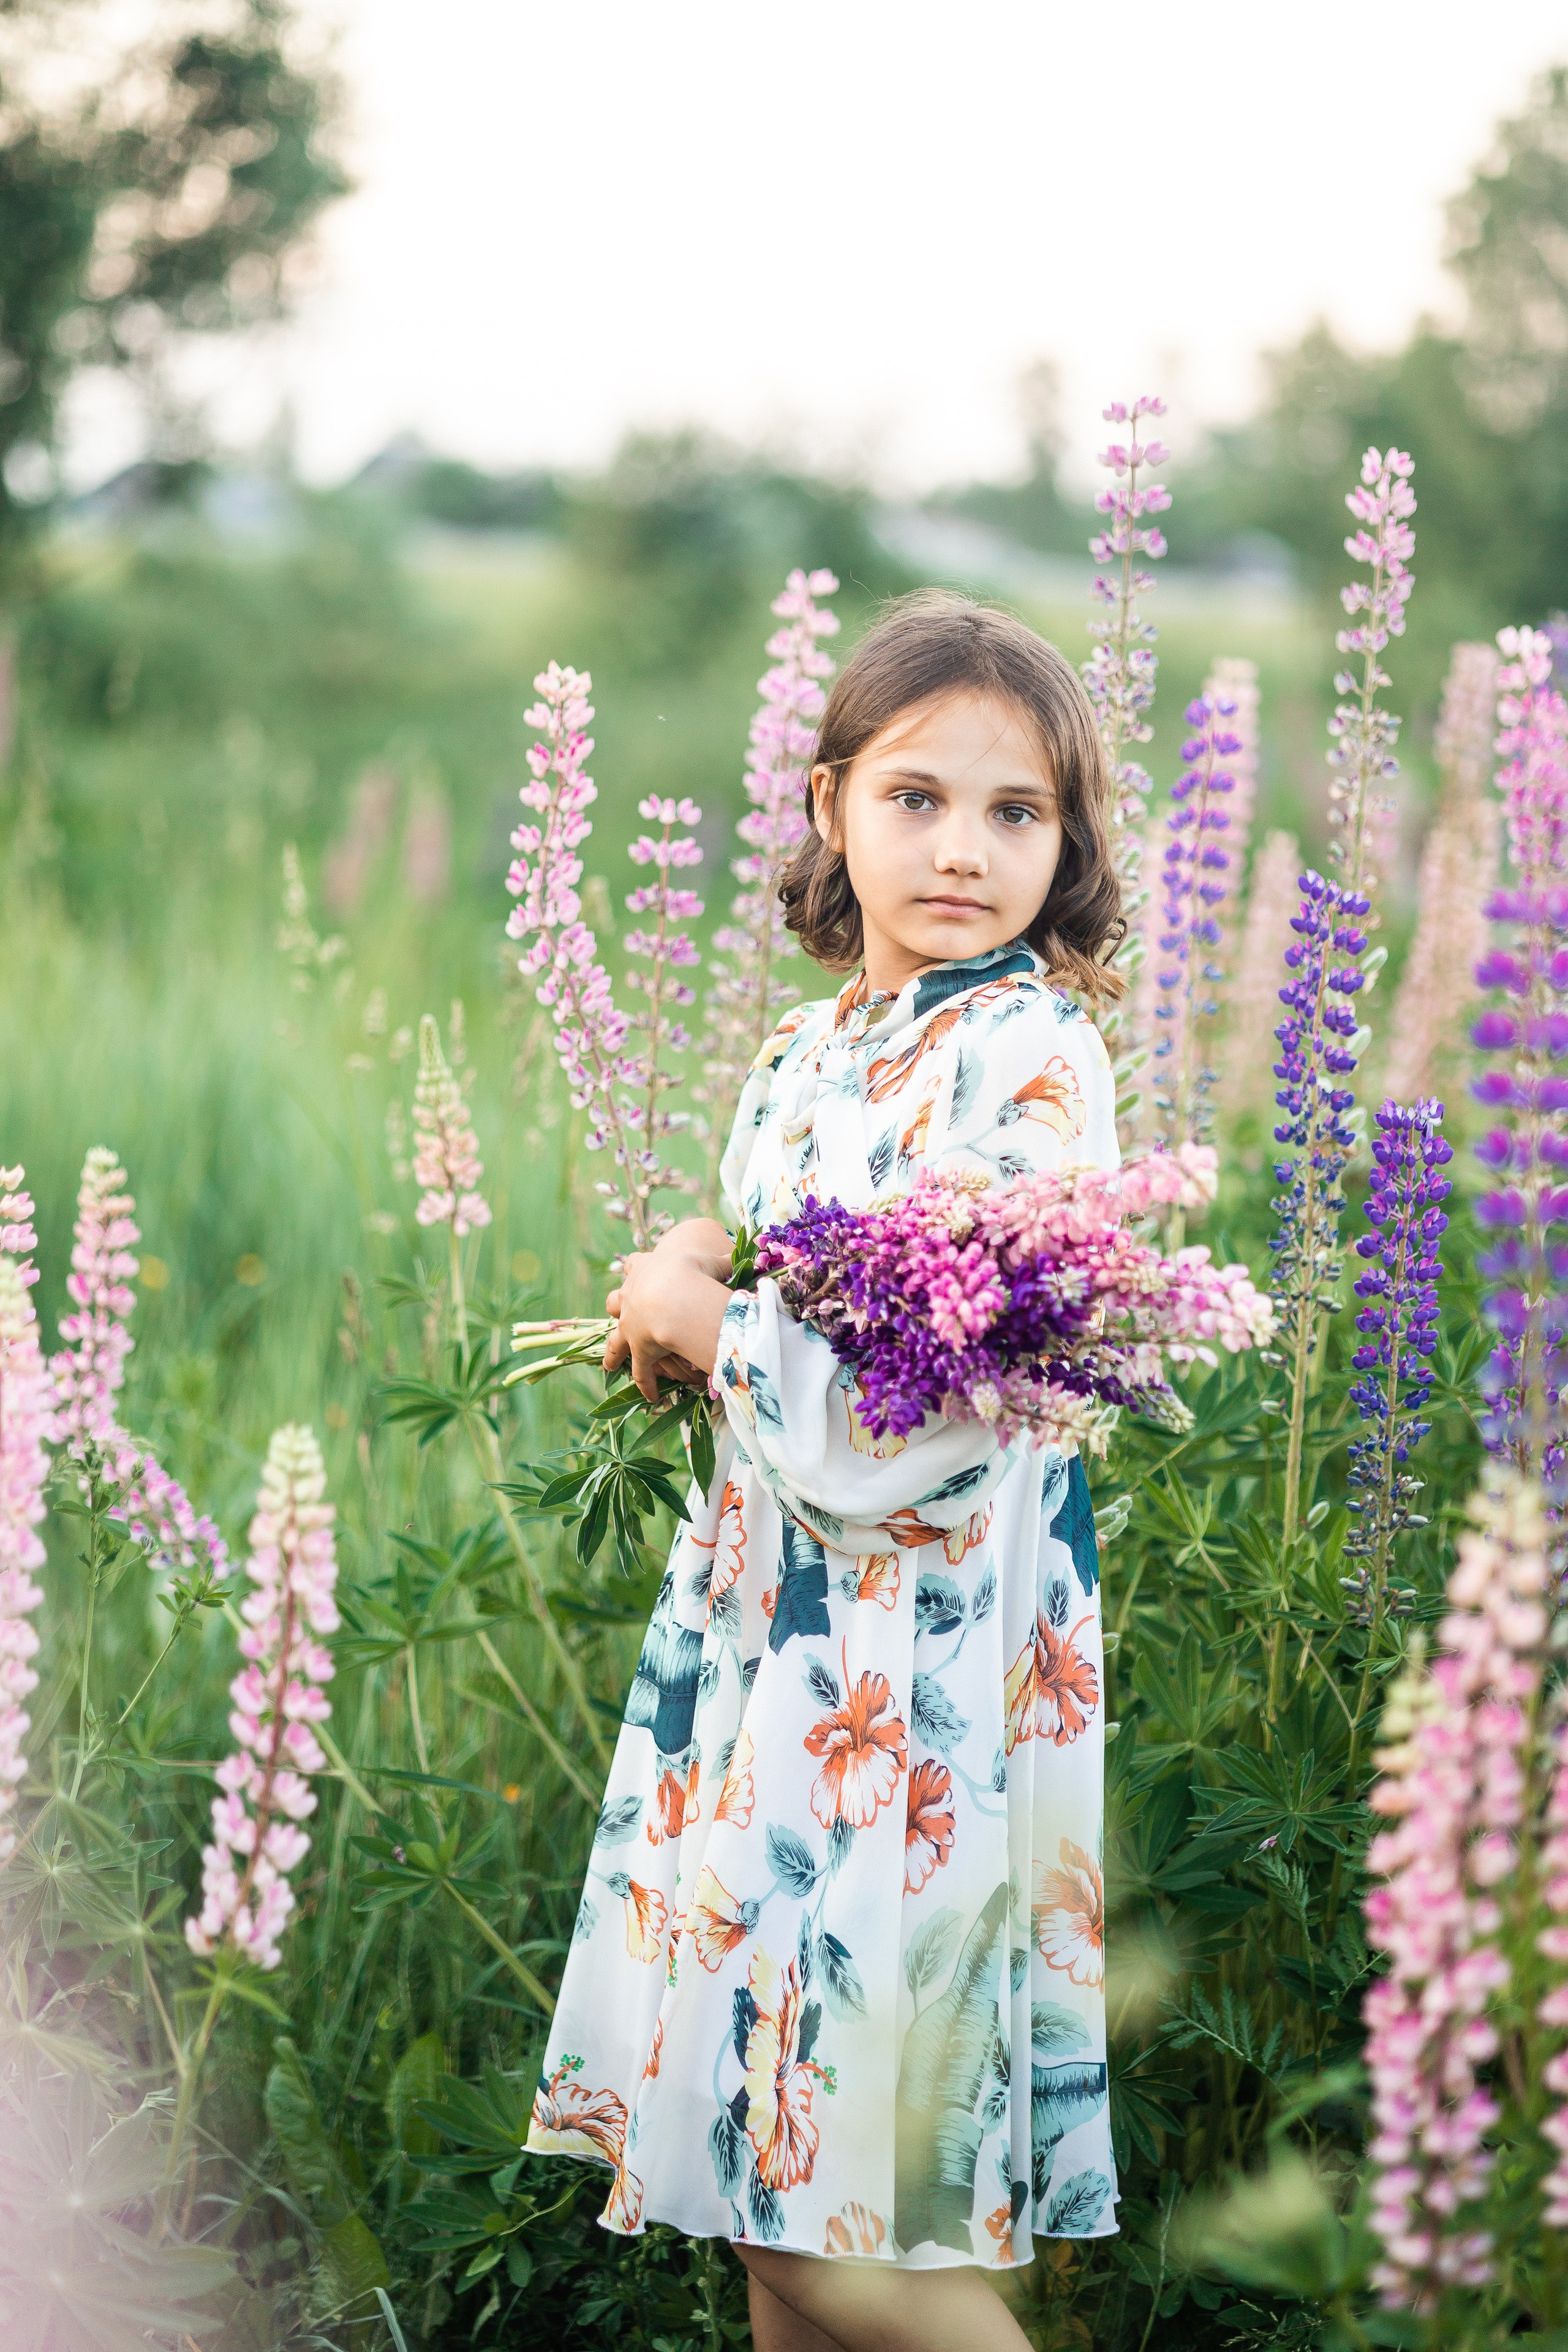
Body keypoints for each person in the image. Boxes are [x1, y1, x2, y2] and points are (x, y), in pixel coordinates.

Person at [525, 590, 1126, 2351]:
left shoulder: (1036, 1056)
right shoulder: (807, 1051)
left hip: (914, 1680)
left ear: (1067, 844)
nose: (964, 850)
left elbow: (934, 1422)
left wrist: (705, 1327)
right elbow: (799, 1254)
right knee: (773, 2190)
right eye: (916, 798)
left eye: (1017, 812)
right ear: (829, 806)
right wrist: (698, 1253)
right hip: (772, 1657)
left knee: (811, 2218)